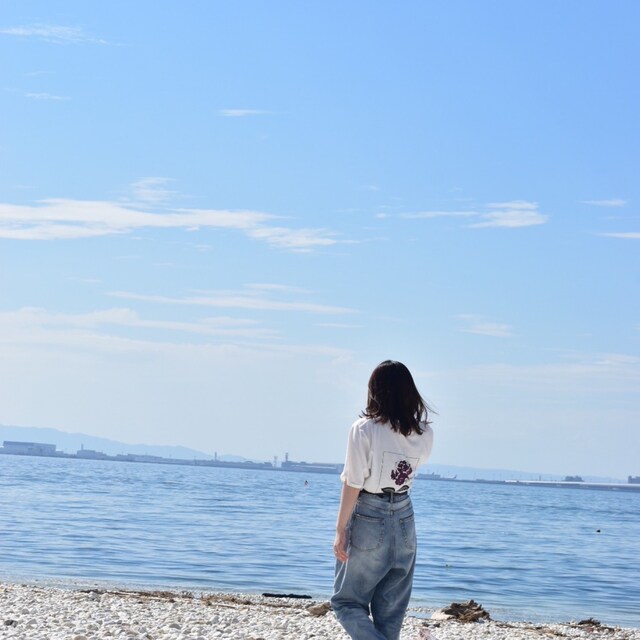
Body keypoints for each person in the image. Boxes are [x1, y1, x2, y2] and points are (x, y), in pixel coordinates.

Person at [331, 360, 434, 640]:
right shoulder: (424, 433)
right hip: (405, 517)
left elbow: (353, 482)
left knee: (347, 602)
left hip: (370, 513)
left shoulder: (364, 429)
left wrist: (340, 529)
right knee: (390, 613)